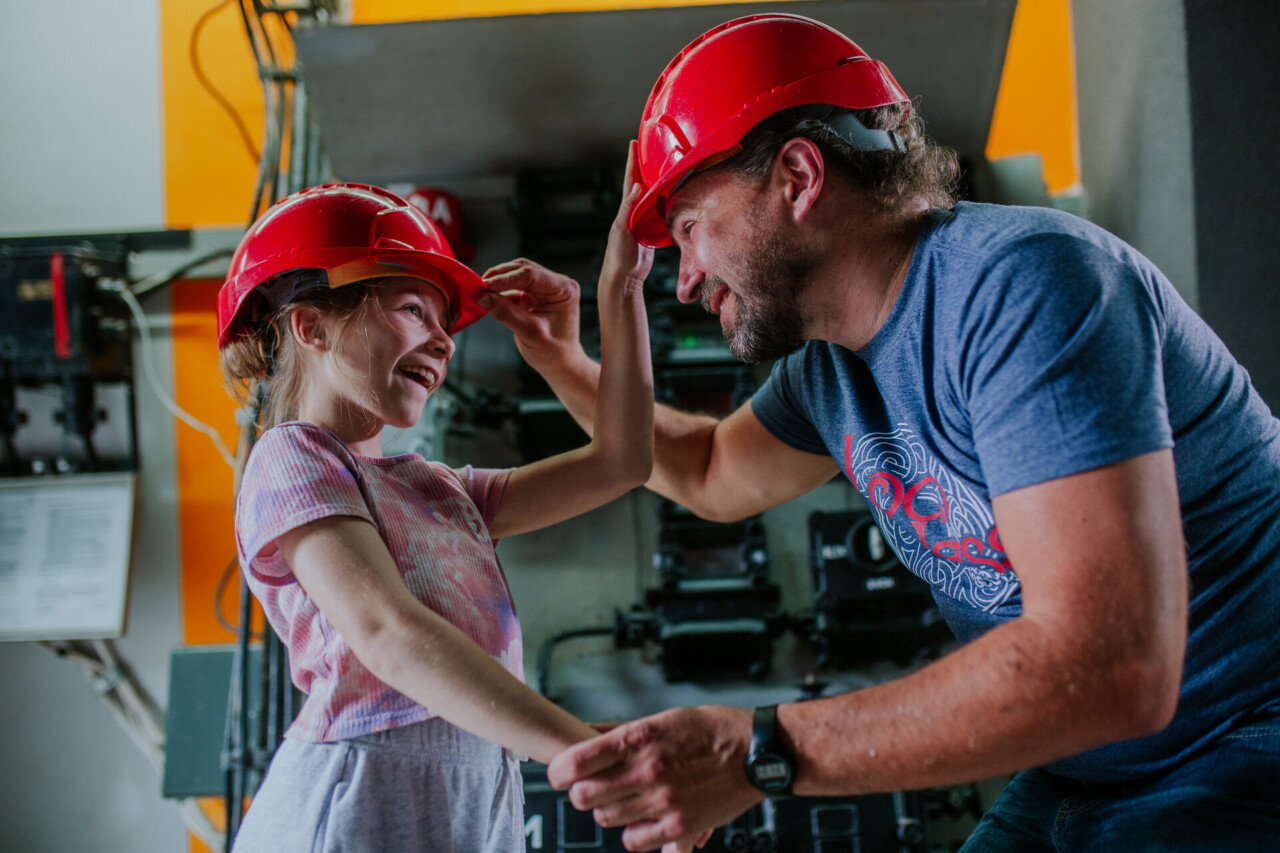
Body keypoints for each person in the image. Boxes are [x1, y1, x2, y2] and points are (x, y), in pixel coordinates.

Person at [478, 13, 1280, 852]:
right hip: (1087, 768)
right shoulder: (830, 371)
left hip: (1243, 736)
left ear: (796, 175)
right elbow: (709, 471)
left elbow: (1112, 663)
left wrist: (756, 751)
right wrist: (564, 360)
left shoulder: (1020, 285)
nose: (685, 283)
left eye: (688, 229)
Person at [215, 177, 689, 852]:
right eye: (414, 309)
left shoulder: (438, 487)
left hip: (476, 794)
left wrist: (621, 289)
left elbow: (622, 460)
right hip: (356, 800)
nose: (445, 342)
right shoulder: (291, 457)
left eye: (445, 323)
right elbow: (388, 633)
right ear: (312, 325)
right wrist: (601, 756)